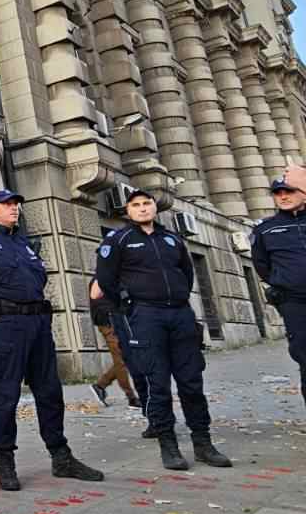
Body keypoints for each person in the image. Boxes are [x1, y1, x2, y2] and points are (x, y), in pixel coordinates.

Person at [0, 188, 104, 491]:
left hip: (38, 325)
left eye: (16, 204)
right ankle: (5, 461)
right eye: (6, 205)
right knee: (6, 396)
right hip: (6, 326)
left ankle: (61, 457)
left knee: (50, 392)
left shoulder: (24, 242)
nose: (13, 209)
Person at [94, 188, 231, 471]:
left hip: (179, 315)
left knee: (192, 382)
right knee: (157, 384)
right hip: (145, 316)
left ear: (155, 209)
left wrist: (179, 297)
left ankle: (203, 443)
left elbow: (186, 273)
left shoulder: (172, 239)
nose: (143, 208)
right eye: (136, 205)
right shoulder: (118, 240)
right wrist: (129, 305)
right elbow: (106, 280)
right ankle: (168, 445)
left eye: (147, 204)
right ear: (128, 211)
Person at [249, 175, 306, 406]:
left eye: (289, 191)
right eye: (278, 193)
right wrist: (280, 282)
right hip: (293, 301)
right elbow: (261, 263)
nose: (283, 196)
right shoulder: (265, 229)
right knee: (304, 354)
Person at [88, 279, 143, 410]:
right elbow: (100, 303)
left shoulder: (113, 276)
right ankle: (131, 397)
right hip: (109, 323)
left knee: (124, 358)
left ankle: (101, 385)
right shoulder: (100, 279)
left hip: (115, 321)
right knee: (121, 360)